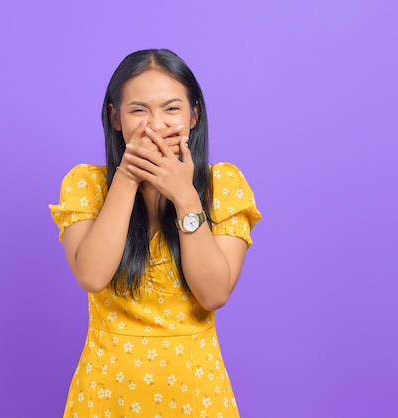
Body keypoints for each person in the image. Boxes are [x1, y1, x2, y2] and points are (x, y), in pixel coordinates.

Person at [49, 49, 261, 417]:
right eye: (138, 110)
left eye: (171, 109)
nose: (155, 125)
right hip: (104, 396)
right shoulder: (86, 184)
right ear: (115, 117)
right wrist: (127, 177)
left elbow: (213, 293)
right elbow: (92, 275)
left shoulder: (223, 184)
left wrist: (184, 195)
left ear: (194, 114)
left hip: (197, 396)